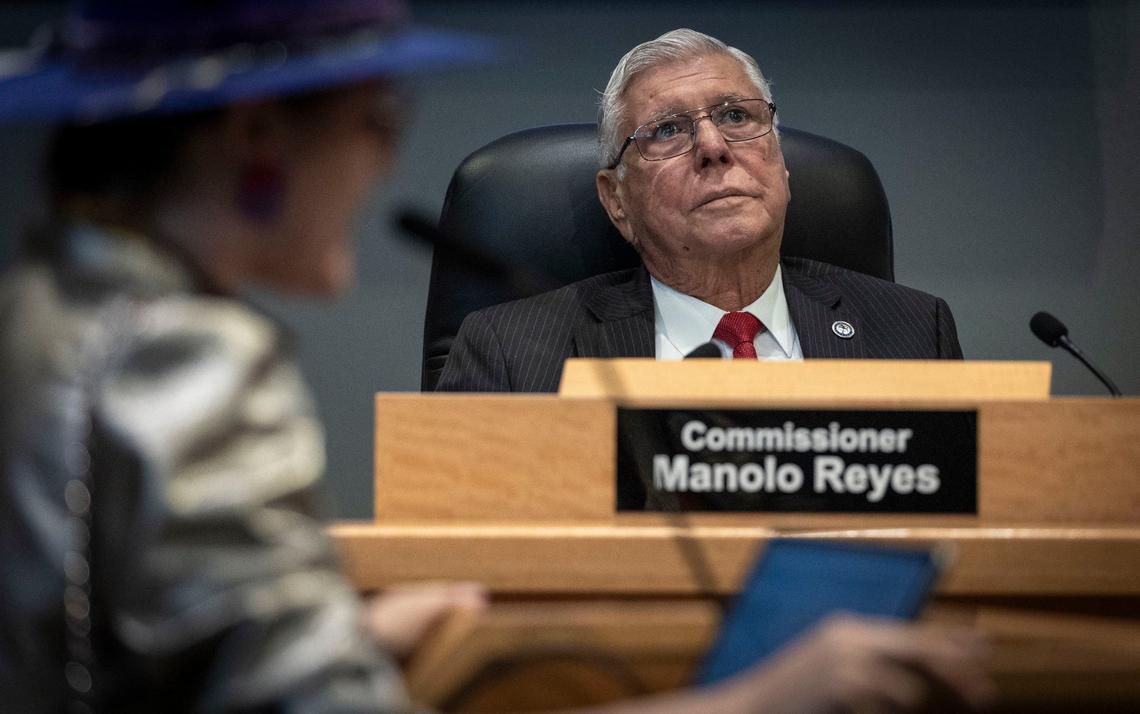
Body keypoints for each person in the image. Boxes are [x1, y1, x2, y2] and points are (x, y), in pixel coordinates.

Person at [0, 6, 992, 713]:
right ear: (256, 136)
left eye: (740, 120)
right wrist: (766, 702)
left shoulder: (46, 309)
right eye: (376, 121)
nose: (384, 159)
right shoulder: (185, 361)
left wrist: (337, 643)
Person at [436, 28, 963, 394]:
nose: (713, 146)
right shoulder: (510, 354)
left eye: (736, 115)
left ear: (781, 168)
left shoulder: (916, 332)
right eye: (668, 130)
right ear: (616, 201)